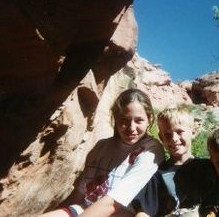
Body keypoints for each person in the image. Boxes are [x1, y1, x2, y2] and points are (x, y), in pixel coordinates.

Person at [41, 88, 165, 217]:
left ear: (149, 119)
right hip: (83, 209)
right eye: (124, 120)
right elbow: (78, 195)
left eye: (139, 120)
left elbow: (113, 203)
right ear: (115, 118)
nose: (131, 128)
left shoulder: (151, 150)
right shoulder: (102, 146)